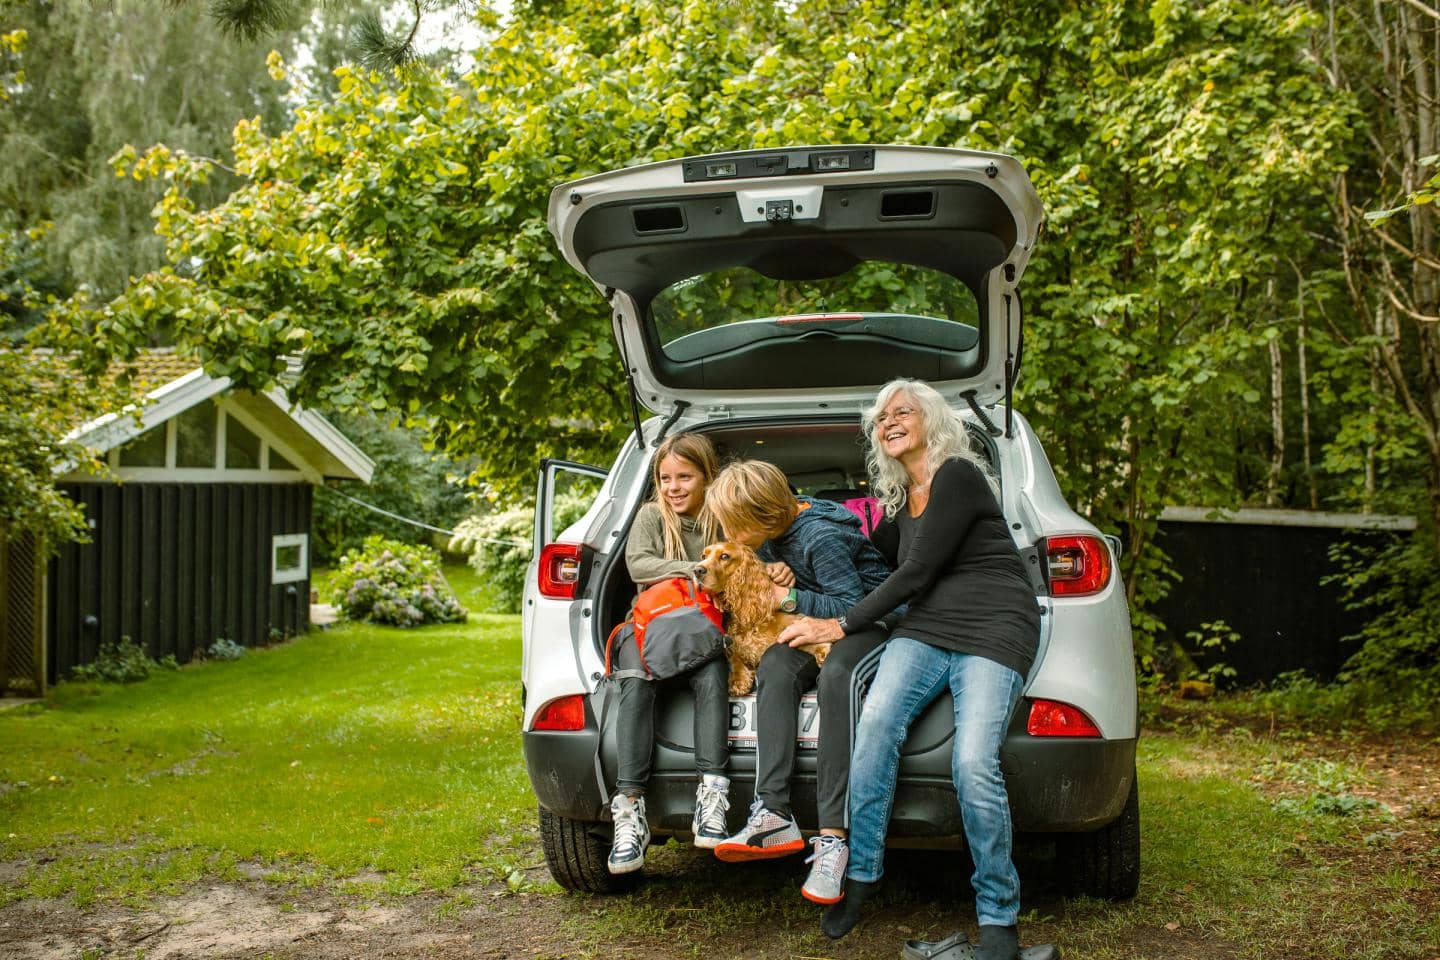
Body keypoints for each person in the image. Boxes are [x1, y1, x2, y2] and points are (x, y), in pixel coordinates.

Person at [777, 378, 1043, 960]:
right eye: (879, 418)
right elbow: (868, 556)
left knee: (973, 762)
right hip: (926, 628)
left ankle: (998, 917)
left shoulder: (959, 477)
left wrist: (838, 625)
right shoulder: (901, 502)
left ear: (932, 421)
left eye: (902, 412)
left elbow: (914, 573)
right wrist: (789, 561)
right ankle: (863, 877)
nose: (888, 423)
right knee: (873, 730)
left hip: (995, 626)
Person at [703, 459, 893, 905]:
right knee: (773, 665)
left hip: (865, 625)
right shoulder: (771, 535)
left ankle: (833, 839)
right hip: (810, 622)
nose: (729, 532)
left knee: (837, 679)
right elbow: (774, 571)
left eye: (734, 523)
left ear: (762, 517)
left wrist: (789, 594)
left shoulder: (822, 536)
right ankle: (772, 812)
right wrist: (776, 570)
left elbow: (854, 604)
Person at [607, 432, 731, 875]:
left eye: (684, 477)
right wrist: (699, 569)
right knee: (636, 681)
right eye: (665, 478)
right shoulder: (650, 516)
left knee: (714, 673)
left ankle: (712, 794)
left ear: (706, 478)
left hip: (702, 629)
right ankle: (630, 808)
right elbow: (638, 565)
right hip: (651, 627)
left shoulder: (723, 519)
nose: (673, 487)